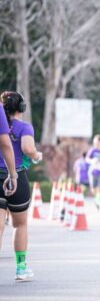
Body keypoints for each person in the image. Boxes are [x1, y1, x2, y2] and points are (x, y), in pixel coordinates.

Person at [0, 91, 41, 281]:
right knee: (20, 224)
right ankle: (21, 268)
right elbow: (27, 148)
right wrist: (36, 156)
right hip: (16, 177)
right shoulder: (25, 127)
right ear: (21, 108)